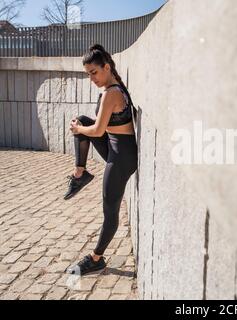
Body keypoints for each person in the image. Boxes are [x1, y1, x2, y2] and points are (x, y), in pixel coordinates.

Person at [65, 44, 138, 275]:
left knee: (110, 209)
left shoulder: (111, 93)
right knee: (81, 120)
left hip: (121, 158)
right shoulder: (114, 86)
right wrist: (81, 126)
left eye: (94, 73)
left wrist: (78, 130)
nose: (91, 78)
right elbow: (99, 127)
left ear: (106, 67)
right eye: (88, 74)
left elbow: (97, 131)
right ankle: (80, 173)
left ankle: (96, 258)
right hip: (116, 148)